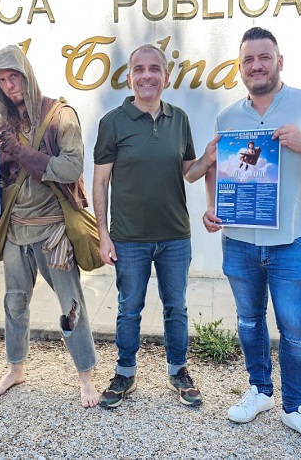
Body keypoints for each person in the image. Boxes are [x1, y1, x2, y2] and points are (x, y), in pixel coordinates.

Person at [202, 27, 301, 450]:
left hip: (293, 241)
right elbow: (216, 167)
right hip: (239, 241)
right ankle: (260, 391)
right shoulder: (228, 117)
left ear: (279, 61)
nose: (257, 65)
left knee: (295, 330)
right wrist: (212, 207)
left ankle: (295, 407)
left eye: (264, 57)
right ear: (240, 68)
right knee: (249, 321)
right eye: (249, 60)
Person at [93, 44, 216, 409]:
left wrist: (209, 158)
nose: (147, 75)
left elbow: (190, 174)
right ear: (129, 77)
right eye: (139, 69)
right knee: (129, 307)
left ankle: (178, 370)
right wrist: (103, 235)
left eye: (154, 69)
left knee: (175, 307)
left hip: (175, 235)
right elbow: (100, 183)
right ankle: (125, 372)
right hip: (129, 238)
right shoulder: (112, 122)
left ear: (166, 76)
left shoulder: (179, 119)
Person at [0, 45, 100, 408]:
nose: (8, 85)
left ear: (26, 75)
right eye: (0, 80)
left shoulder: (60, 115)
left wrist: (22, 152)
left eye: (12, 76)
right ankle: (16, 368)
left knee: (70, 305)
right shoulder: (1, 124)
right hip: (16, 230)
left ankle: (86, 377)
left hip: (53, 231)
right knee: (14, 303)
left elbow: (71, 168)